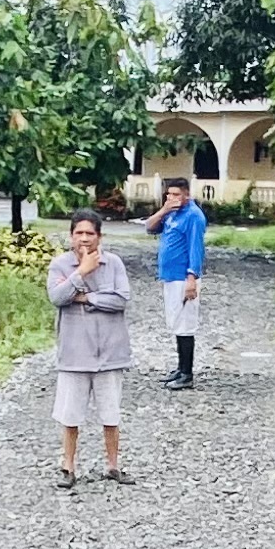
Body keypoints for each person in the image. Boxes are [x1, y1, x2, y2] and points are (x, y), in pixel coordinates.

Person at [44, 210, 135, 486]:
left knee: (111, 413)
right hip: (74, 353)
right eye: (79, 233)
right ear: (71, 236)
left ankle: (113, 465)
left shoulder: (114, 263)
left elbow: (121, 299)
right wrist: (81, 272)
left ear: (99, 236)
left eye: (90, 233)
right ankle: (68, 466)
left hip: (110, 351)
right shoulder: (60, 265)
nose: (84, 238)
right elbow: (57, 297)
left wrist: (86, 298)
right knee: (70, 415)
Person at [150, 174, 208, 389]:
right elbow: (149, 227)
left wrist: (192, 277)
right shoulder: (171, 213)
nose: (172, 198)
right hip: (170, 276)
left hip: (183, 278)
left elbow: (196, 248)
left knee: (185, 325)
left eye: (176, 194)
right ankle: (180, 367)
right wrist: (164, 210)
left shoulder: (194, 216)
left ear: (187, 195)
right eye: (169, 194)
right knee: (176, 322)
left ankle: (187, 373)